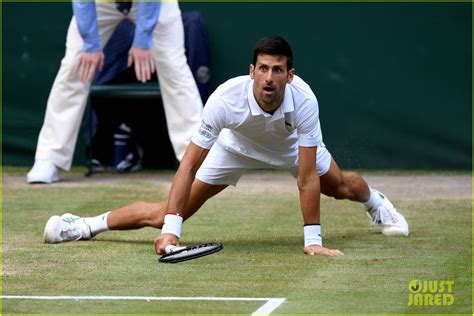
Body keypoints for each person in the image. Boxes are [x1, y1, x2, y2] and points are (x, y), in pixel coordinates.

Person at [43, 36, 409, 257]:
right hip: (234, 147)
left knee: (341, 186)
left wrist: (312, 239)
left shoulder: (305, 101)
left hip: (289, 146)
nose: (269, 78)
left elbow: (306, 176)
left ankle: (375, 203)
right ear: (252, 70)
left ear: (290, 75)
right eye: (263, 69)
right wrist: (173, 229)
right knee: (165, 213)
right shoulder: (224, 100)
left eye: (278, 70)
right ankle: (84, 226)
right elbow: (187, 166)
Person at [27, 0, 203, 183]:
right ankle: (49, 158)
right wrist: (90, 44)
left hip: (155, 3)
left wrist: (143, 41)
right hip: (99, 3)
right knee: (74, 66)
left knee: (175, 69)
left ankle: (195, 161)